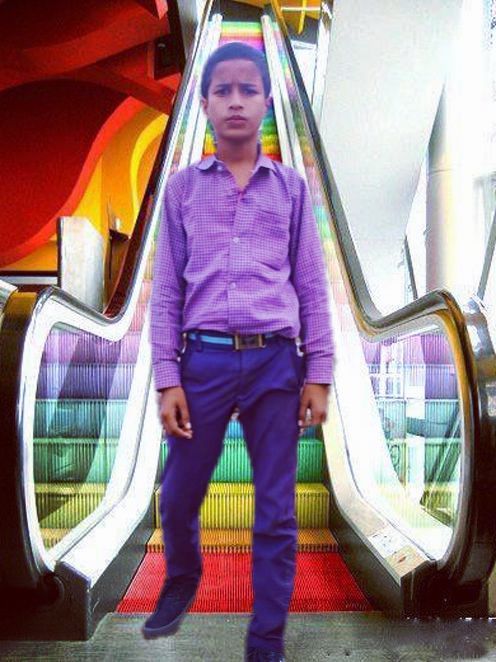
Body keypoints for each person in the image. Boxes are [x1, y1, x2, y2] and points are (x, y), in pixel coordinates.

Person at [143, 41, 334, 662]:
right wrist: (167, 378)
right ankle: (182, 577)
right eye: (222, 90)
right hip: (203, 361)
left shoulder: (292, 191)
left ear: (267, 102)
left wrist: (319, 372)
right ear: (203, 104)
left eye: (247, 90)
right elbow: (166, 292)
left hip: (277, 363)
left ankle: (266, 641)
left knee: (277, 511)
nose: (235, 101)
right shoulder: (181, 190)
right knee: (178, 494)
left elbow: (312, 285)